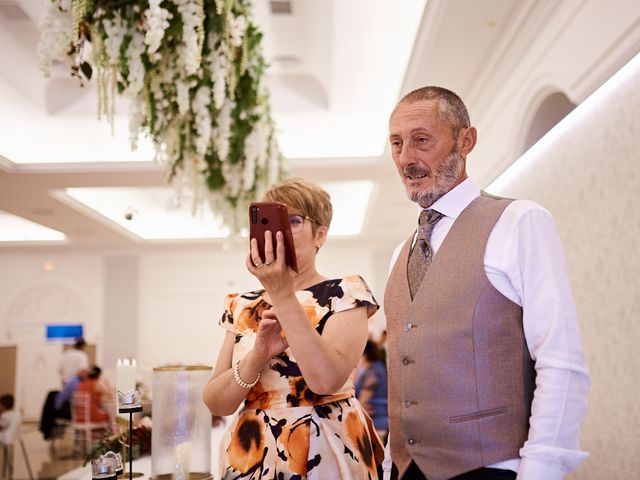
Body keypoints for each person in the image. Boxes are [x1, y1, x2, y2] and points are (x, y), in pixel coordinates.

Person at [383, 86, 590, 480]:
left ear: (466, 140)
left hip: (492, 468)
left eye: (421, 140)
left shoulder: (520, 221)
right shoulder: (400, 253)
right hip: (406, 471)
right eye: (397, 144)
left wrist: (541, 470)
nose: (406, 158)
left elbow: (560, 359)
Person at [203, 178, 384, 479]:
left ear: (321, 234)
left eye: (295, 220)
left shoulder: (346, 293)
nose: (281, 231)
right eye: (271, 222)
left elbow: (326, 381)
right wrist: (256, 356)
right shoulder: (240, 305)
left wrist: (283, 293)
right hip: (252, 451)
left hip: (326, 446)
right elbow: (216, 403)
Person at [355, 340, 388, 442]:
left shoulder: (372, 371)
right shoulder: (379, 367)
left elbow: (364, 398)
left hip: (374, 419)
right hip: (380, 418)